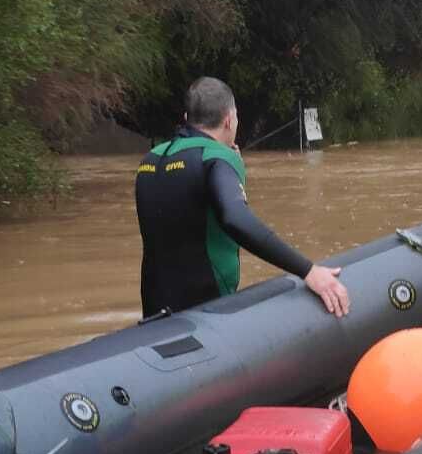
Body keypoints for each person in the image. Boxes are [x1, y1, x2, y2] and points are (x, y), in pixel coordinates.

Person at [135, 77, 350, 317]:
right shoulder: (217, 157)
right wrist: (308, 271)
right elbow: (236, 218)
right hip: (205, 315)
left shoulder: (150, 160)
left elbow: (184, 208)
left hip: (155, 316)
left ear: (187, 118)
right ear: (228, 120)